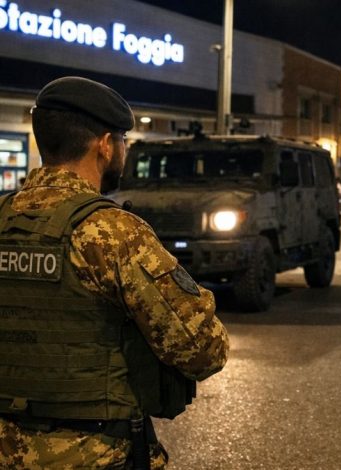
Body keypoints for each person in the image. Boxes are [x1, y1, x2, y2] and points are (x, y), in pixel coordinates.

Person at [0, 77, 229, 469]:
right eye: (123, 139)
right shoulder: (112, 233)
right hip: (94, 454)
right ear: (105, 145)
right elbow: (203, 350)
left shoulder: (4, 220)